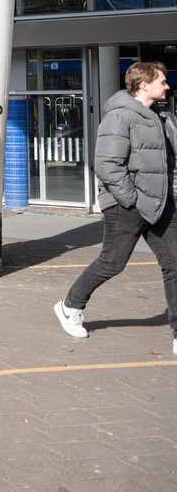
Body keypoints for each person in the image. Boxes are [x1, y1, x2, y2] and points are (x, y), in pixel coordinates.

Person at [54, 61, 177, 355]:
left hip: (161, 204)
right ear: (144, 85)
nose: (168, 85)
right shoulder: (120, 116)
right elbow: (108, 165)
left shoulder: (162, 117)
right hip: (128, 204)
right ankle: (69, 305)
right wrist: (131, 198)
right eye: (162, 81)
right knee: (112, 262)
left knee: (175, 263)